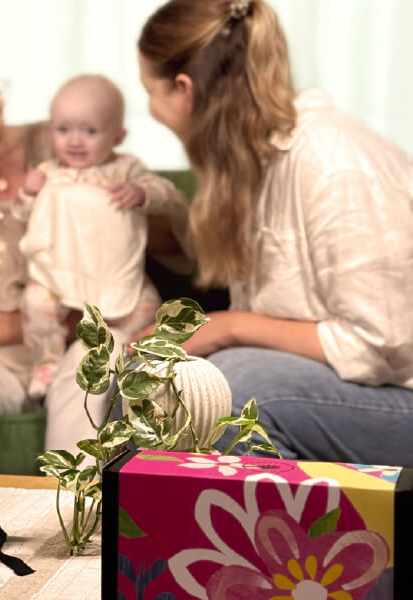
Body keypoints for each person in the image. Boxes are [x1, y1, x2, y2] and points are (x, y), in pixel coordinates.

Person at [0, 23, 188, 469]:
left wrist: (121, 208)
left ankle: (72, 516)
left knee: (100, 347)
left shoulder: (62, 139)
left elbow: (171, 240)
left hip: (84, 340)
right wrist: (49, 320)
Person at [135, 0, 413, 466]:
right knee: (147, 382)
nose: (149, 108)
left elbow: (379, 342)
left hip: (398, 394)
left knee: (231, 395)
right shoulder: (255, 166)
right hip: (350, 386)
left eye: (150, 91)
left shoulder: (332, 163)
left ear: (184, 90)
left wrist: (230, 328)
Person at [13, 74, 186, 399]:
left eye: (90, 131)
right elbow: (24, 218)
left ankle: (142, 367)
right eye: (63, 130)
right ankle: (47, 363)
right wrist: (27, 193)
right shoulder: (50, 172)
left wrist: (142, 193)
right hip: (60, 268)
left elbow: (169, 194)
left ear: (118, 135)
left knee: (148, 308)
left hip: (115, 270)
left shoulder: (126, 169)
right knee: (36, 302)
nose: (75, 141)